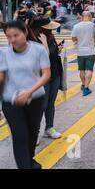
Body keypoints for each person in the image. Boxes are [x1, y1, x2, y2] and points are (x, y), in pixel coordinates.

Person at [1, 21, 51, 169]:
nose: (12, 40)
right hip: (12, 100)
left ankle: (29, 161)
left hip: (35, 99)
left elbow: (46, 74)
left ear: (25, 32)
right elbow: (1, 78)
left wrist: (29, 91)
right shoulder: (3, 53)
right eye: (9, 37)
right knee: (20, 136)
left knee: (31, 134)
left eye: (16, 35)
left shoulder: (38, 50)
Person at [29, 16, 64, 140]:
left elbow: (52, 53)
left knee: (50, 103)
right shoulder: (31, 40)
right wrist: (44, 43)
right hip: (40, 78)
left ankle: (49, 127)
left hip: (54, 74)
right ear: (41, 28)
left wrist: (57, 49)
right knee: (40, 105)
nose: (51, 29)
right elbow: (43, 58)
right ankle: (34, 132)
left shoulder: (50, 36)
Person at [71, 11, 95, 96]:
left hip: (80, 51)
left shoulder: (76, 26)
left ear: (82, 17)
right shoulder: (93, 26)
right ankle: (86, 88)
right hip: (90, 50)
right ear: (90, 17)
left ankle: (83, 84)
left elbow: (73, 39)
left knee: (81, 69)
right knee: (89, 69)